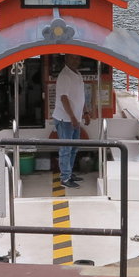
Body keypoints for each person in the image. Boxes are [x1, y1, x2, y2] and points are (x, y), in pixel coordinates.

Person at [52, 54, 89, 188]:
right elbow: (64, 98)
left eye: (77, 58)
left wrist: (85, 113)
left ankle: (69, 173)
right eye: (73, 58)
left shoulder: (77, 74)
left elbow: (81, 96)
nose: (76, 60)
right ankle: (65, 178)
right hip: (65, 119)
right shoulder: (65, 76)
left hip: (74, 119)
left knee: (74, 148)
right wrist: (72, 117)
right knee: (66, 149)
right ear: (66, 59)